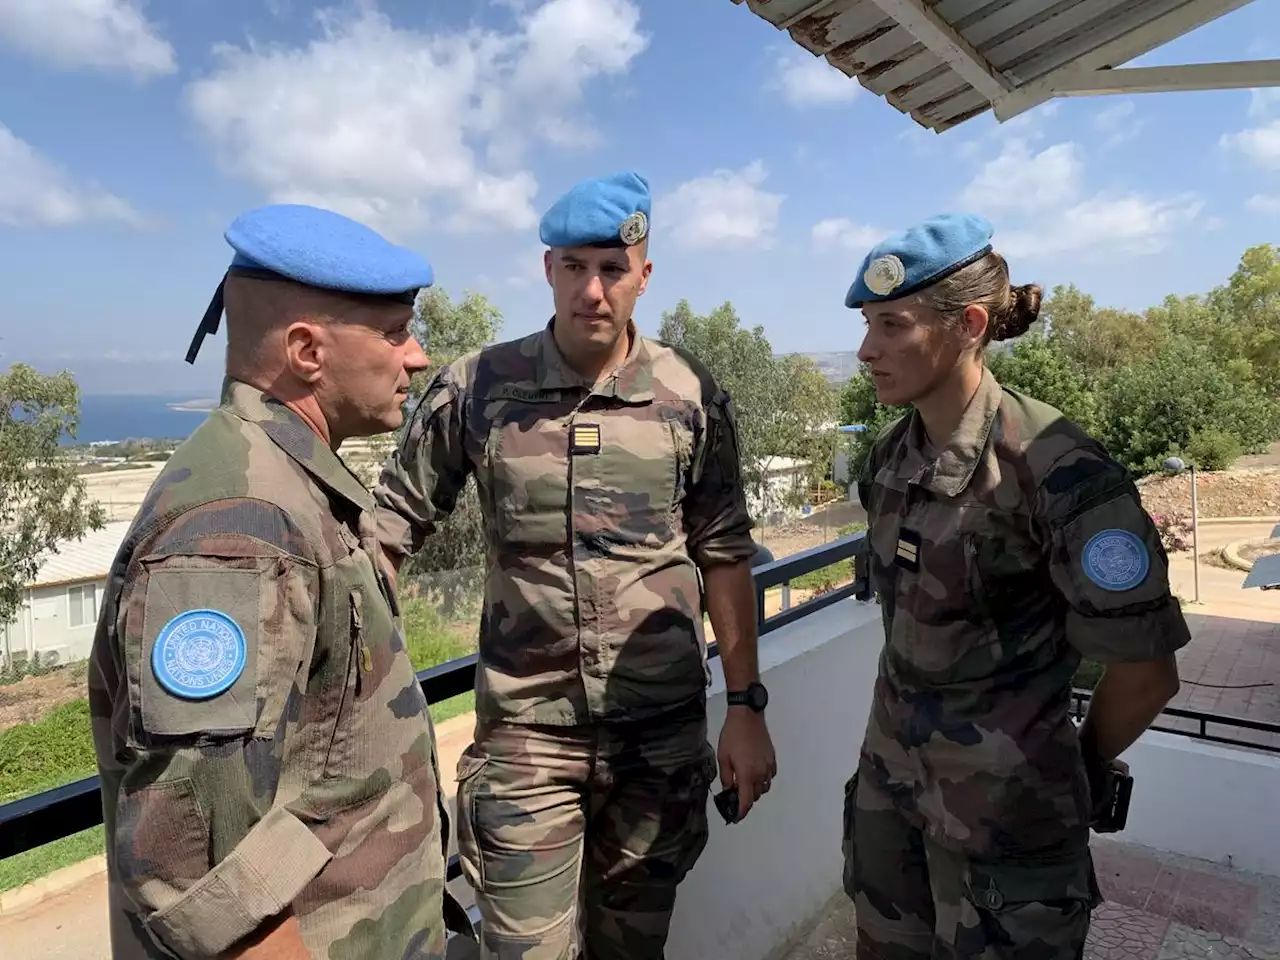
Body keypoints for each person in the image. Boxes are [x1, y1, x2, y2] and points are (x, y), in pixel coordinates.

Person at [373, 170, 777, 959]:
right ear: (548, 269)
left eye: (612, 269)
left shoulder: (690, 394)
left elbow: (724, 553)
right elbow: (389, 531)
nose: (593, 290)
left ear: (643, 276)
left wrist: (746, 704)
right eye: (574, 267)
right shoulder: (480, 389)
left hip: (656, 737)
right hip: (527, 738)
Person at [87, 203, 467, 959]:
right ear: (305, 350)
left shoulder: (287, 484)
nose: (417, 356)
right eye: (395, 332)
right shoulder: (238, 531)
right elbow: (200, 875)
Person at [842, 212, 1190, 957]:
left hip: (1008, 838)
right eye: (867, 324)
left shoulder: (1060, 471)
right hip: (891, 813)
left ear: (968, 325)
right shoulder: (889, 458)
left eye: (892, 325)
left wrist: (1073, 766)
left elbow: (1145, 671)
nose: (867, 350)